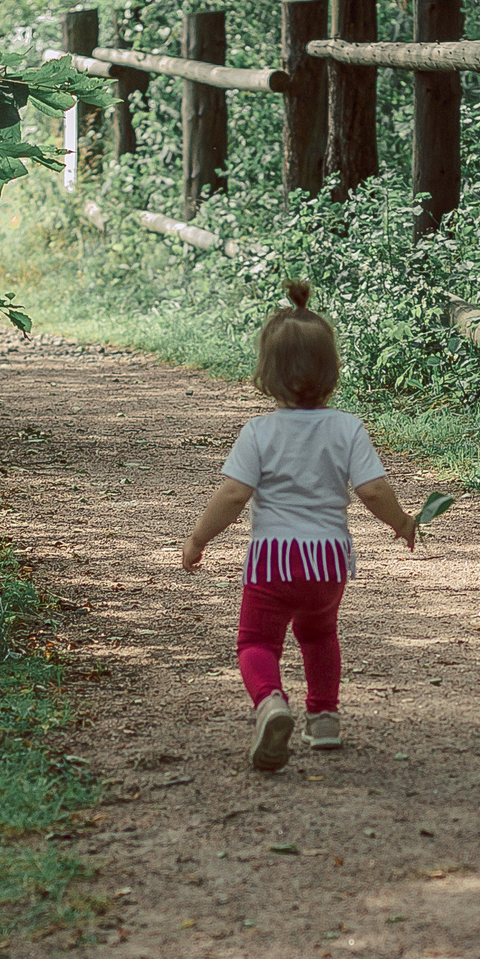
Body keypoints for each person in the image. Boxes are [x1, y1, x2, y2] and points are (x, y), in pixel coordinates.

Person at [182, 282, 420, 771]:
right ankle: (325, 718)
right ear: (332, 371)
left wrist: (198, 537)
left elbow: (233, 495)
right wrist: (402, 521)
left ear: (266, 374)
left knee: (256, 642)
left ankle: (271, 702)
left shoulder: (259, 432)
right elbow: (374, 489)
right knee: (319, 635)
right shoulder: (347, 427)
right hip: (327, 561)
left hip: (273, 560)